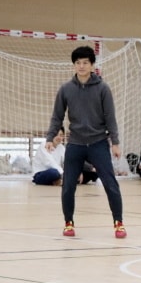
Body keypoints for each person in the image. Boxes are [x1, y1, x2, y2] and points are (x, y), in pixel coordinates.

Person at [45, 45, 126, 239]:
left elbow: (110, 118)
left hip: (99, 143)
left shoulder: (103, 88)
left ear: (92, 65)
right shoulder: (66, 89)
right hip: (75, 144)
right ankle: (68, 223)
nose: (81, 66)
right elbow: (57, 116)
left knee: (110, 183)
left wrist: (115, 142)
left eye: (85, 63)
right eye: (78, 63)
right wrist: (50, 138)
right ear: (74, 65)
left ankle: (119, 223)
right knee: (68, 185)